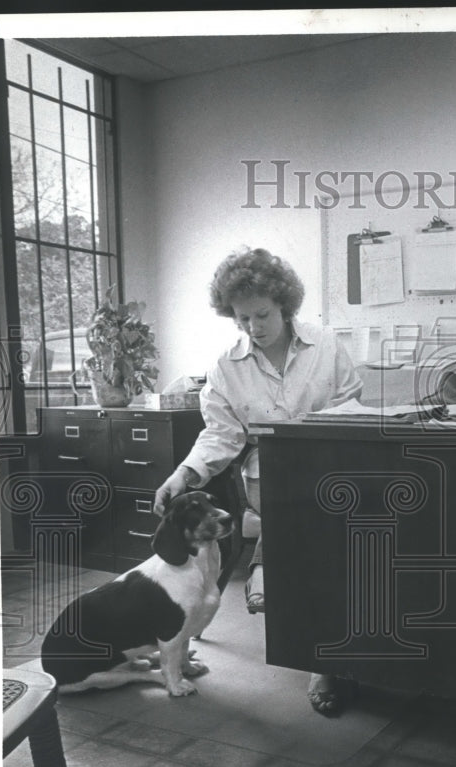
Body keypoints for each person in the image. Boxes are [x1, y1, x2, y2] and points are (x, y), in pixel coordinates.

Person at [154, 246, 363, 713]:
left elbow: (352, 407)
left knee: (326, 552)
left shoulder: (325, 344)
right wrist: (183, 473)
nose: (254, 327)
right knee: (297, 531)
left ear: (285, 305)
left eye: (263, 315)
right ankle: (272, 567)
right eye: (242, 318)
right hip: (266, 478)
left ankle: (318, 656)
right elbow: (221, 433)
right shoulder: (227, 365)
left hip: (329, 472)